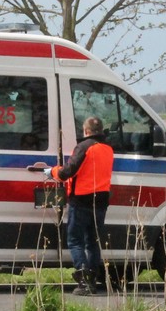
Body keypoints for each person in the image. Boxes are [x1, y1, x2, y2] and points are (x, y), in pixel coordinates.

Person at [31, 116, 114, 294]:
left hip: (82, 200)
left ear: (86, 131)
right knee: (92, 242)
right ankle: (92, 280)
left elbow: (68, 171)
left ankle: (83, 281)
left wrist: (52, 171)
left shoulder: (84, 147)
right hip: (100, 202)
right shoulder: (108, 149)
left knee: (75, 240)